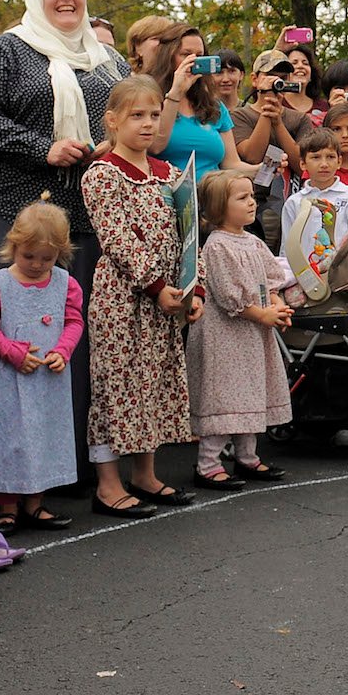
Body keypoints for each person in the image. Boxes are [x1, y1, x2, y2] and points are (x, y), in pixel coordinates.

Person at [0, 0, 130, 466]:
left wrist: (107, 146)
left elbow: (124, 118)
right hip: (19, 216)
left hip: (87, 218)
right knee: (13, 338)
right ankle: (2, 467)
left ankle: (67, 460)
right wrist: (44, 148)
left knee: (72, 337)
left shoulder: (108, 61)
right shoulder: (9, 50)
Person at [81, 76, 199, 515]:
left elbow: (190, 235)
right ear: (112, 121)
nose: (148, 124)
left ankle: (145, 475)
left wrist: (193, 287)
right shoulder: (103, 174)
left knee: (152, 383)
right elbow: (117, 239)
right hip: (124, 300)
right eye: (137, 116)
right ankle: (108, 485)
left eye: (153, 115)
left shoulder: (171, 175)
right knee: (117, 386)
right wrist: (155, 286)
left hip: (169, 299)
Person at [0, 201, 83, 535]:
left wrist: (62, 350)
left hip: (48, 379)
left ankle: (35, 502)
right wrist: (11, 351)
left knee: (43, 436)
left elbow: (74, 322)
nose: (37, 265)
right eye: (29, 256)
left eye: (46, 259)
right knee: (9, 438)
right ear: (14, 245)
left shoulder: (66, 283)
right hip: (7, 378)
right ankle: (6, 505)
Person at [188, 172, 294, 490]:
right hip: (226, 336)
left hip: (251, 333)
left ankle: (247, 456)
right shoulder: (217, 247)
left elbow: (272, 279)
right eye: (242, 198)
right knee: (224, 395)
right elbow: (228, 297)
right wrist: (263, 314)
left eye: (252, 196)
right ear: (219, 207)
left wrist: (277, 306)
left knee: (249, 391)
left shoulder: (252, 241)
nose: (251, 203)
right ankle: (207, 463)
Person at [232, 50, 312, 250]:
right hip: (251, 204)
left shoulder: (300, 119)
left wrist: (278, 123)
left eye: (283, 78)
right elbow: (251, 156)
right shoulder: (239, 116)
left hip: (292, 203)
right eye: (271, 76)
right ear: (255, 79)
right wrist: (267, 113)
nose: (278, 81)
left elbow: (303, 165)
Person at [282, 121, 348, 298]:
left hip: (343, 278)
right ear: (303, 164)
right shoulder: (294, 202)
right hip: (306, 280)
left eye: (330, 157)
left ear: (339, 161)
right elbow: (287, 249)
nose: (324, 164)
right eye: (316, 157)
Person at [145, 39, 245, 176]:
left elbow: (231, 164)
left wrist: (263, 169)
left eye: (199, 56)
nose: (193, 61)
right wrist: (176, 92)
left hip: (211, 192)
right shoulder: (150, 100)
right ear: (168, 57)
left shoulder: (214, 106)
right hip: (167, 191)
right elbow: (155, 147)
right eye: (186, 54)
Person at [123, 15, 193, 71]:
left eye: (167, 39)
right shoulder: (124, 81)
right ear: (138, 47)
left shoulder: (183, 79)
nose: (162, 43)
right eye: (156, 38)